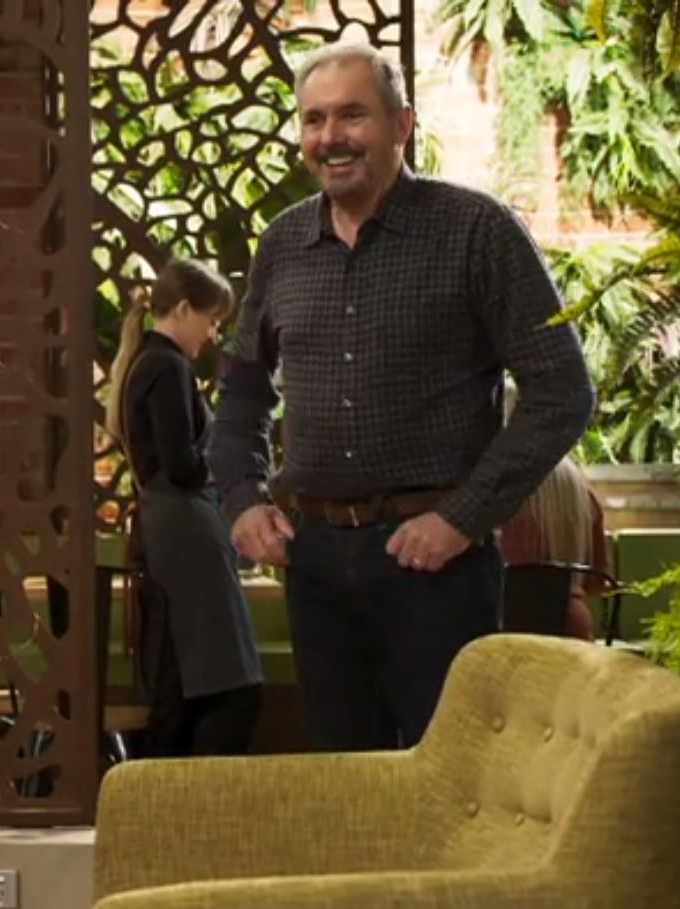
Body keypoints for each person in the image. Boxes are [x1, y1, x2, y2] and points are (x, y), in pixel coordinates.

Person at [209, 42, 594, 751]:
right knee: (343, 780)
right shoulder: (282, 244)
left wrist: (462, 518)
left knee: (448, 774)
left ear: (402, 124)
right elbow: (241, 390)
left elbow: (563, 389)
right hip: (315, 562)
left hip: (438, 566)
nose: (331, 137)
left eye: (352, 115)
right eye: (314, 120)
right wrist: (242, 498)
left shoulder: (478, 231)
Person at [103, 259, 263, 756]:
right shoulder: (167, 366)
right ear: (183, 309)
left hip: (170, 525)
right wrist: (227, 453)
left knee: (187, 673)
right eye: (211, 320)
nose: (212, 335)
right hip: (186, 527)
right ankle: (199, 787)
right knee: (225, 680)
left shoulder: (145, 363)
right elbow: (181, 465)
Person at [498, 453, 612, 641]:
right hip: (569, 624)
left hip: (496, 623)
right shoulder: (581, 490)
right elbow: (596, 582)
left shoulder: (491, 485)